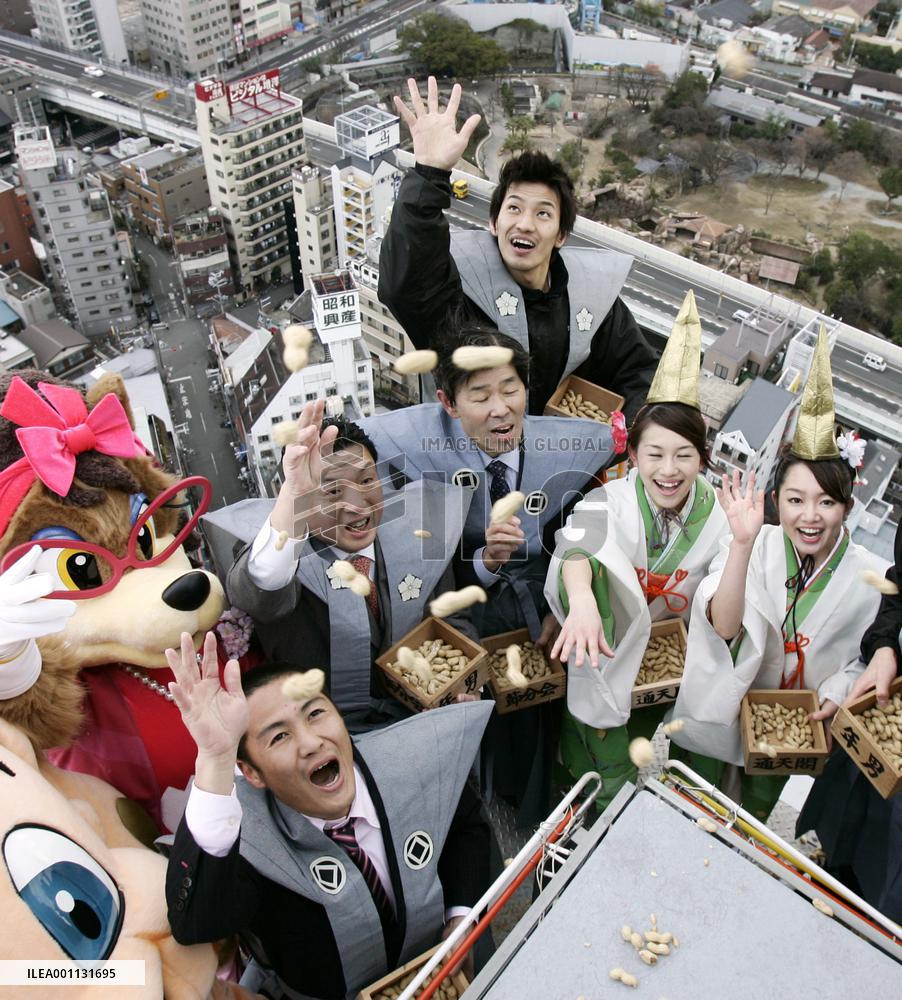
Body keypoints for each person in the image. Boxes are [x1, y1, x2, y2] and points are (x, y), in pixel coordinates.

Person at [361, 326, 616, 823]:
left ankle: (541, 807)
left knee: (540, 728)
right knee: (484, 726)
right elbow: (431, 568)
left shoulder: (564, 454)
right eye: (480, 396)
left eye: (510, 389)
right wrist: (487, 560)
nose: (500, 409)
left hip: (544, 615)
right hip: (474, 615)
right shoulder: (428, 465)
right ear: (448, 404)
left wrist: (561, 606)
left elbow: (581, 537)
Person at [166, 631, 493, 1000]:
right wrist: (215, 759)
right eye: (279, 737)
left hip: (451, 974)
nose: (310, 743)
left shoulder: (412, 760)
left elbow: (466, 828)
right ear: (252, 773)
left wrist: (462, 916)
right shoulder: (250, 845)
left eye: (316, 714)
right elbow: (195, 924)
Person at [670, 328, 888, 821]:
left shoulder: (864, 580)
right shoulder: (755, 545)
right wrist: (742, 544)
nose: (810, 516)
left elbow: (860, 659)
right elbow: (721, 627)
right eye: (795, 500)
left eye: (826, 502)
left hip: (790, 728)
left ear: (848, 507)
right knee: (688, 802)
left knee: (752, 822)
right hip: (722, 709)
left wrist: (835, 693)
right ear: (776, 501)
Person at [545, 292, 729, 812]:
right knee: (592, 742)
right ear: (632, 452)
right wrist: (583, 600)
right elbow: (579, 542)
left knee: (638, 738)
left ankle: (611, 807)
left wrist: (741, 545)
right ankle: (585, 805)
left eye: (683, 455)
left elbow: (723, 612)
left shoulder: (720, 519)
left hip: (662, 664)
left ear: (702, 459)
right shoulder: (612, 497)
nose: (668, 470)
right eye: (655, 454)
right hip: (602, 645)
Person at [379, 77, 657, 420]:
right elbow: (406, 286)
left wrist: (628, 432)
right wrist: (428, 173)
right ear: (494, 224)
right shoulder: (463, 293)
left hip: (563, 450)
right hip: (475, 445)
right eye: (514, 208)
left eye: (543, 213)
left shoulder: (590, 298)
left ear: (561, 235)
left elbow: (639, 372)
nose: (525, 223)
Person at [212, 400, 477, 733]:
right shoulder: (282, 556)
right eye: (332, 490)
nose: (356, 505)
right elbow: (258, 594)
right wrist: (293, 497)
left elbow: (452, 616)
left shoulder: (420, 530)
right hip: (328, 739)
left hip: (430, 723)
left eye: (366, 480)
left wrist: (466, 679)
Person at [796, 520, 902, 921]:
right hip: (890, 695)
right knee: (852, 807)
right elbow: (898, 584)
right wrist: (885, 644)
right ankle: (833, 875)